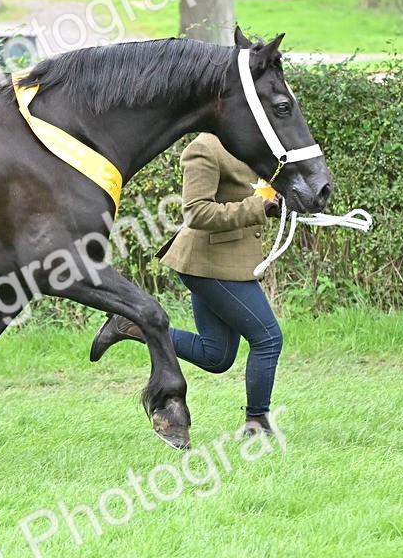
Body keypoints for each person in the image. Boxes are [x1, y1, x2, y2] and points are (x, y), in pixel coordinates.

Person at [89, 133, 284, 437]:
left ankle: (131, 325)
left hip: (228, 261)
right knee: (268, 339)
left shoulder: (249, 143)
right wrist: (257, 208)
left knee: (216, 357)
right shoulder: (204, 148)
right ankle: (257, 424)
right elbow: (196, 212)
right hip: (206, 264)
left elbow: (258, 190)